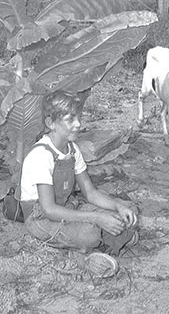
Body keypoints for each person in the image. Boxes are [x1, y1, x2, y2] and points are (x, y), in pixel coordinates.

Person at [20, 90, 139, 266]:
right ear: (50, 123)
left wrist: (118, 206)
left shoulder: (73, 150)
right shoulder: (41, 155)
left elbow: (90, 193)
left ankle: (108, 237)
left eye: (78, 117)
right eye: (70, 119)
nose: (78, 124)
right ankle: (93, 249)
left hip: (68, 207)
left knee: (129, 209)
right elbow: (49, 210)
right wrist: (95, 218)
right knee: (88, 234)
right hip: (41, 219)